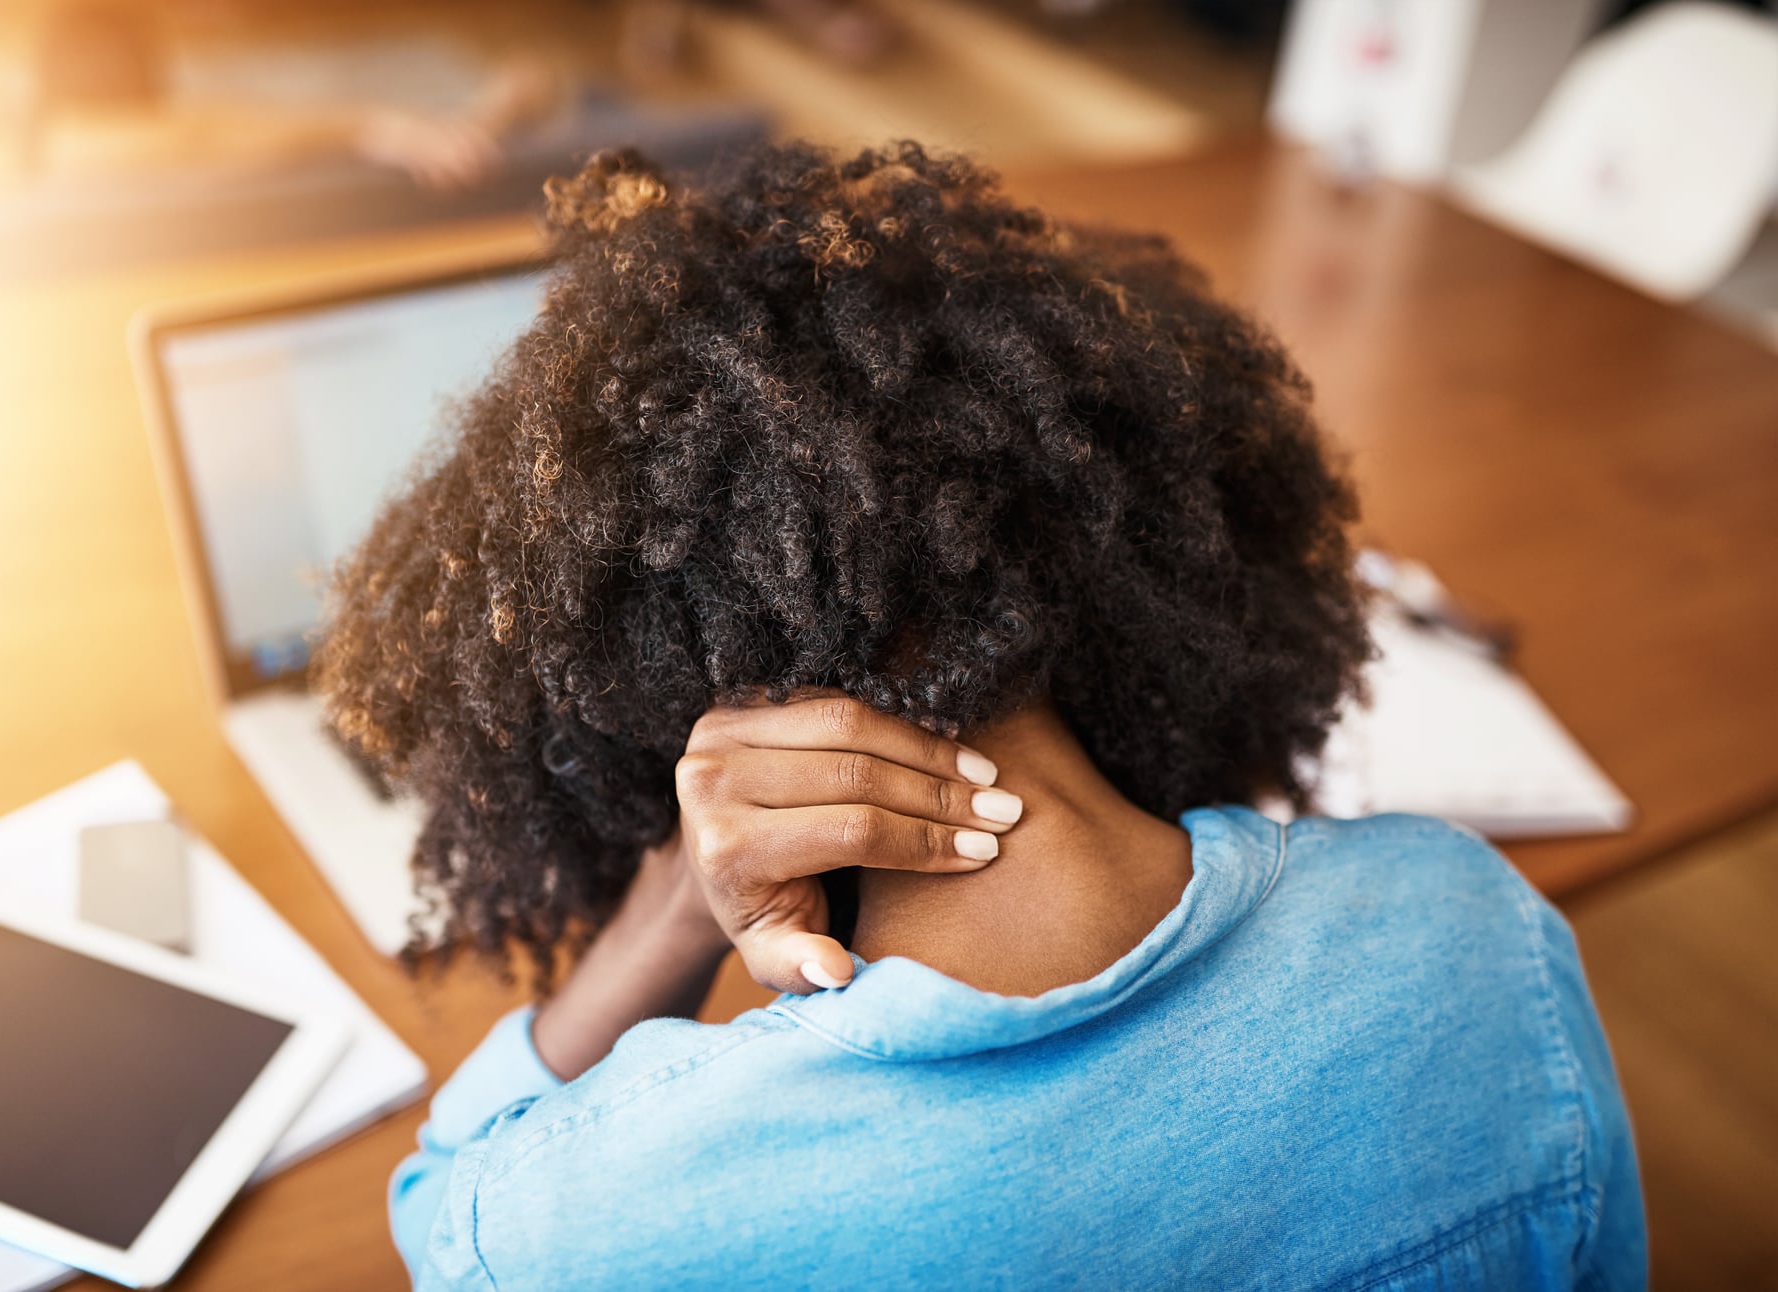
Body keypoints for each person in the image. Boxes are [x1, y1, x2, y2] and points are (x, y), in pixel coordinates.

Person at [317, 141, 1644, 1289]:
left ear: (662, 683)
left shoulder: (579, 1228)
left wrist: (671, 905)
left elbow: (447, 1220)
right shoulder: (1479, 938)